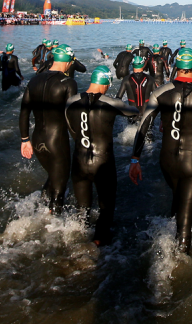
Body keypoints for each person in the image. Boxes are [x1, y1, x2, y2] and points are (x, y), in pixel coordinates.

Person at [128, 51, 192, 253]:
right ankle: (180, 263)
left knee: (177, 197)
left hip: (167, 160)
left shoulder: (161, 91)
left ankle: (169, 238)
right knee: (186, 224)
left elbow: (143, 126)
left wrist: (135, 159)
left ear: (176, 68)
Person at [64, 66, 139, 245]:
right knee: (106, 209)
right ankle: (99, 246)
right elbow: (135, 112)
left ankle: (77, 245)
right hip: (102, 162)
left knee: (82, 210)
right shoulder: (111, 103)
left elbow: (72, 129)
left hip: (79, 161)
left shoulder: (70, 102)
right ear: (106, 83)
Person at [19, 44, 79, 212]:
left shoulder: (34, 79)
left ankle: (42, 211)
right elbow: (71, 117)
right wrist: (81, 142)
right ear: (67, 61)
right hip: (57, 142)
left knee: (53, 177)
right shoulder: (69, 83)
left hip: (37, 141)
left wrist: (25, 140)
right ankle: (54, 219)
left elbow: (24, 112)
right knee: (60, 185)